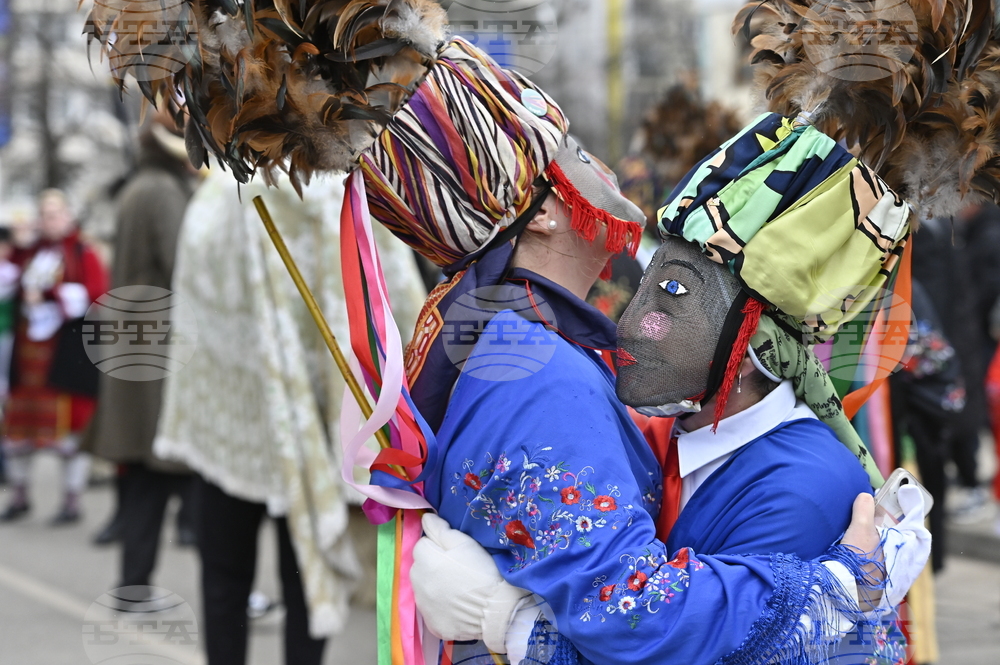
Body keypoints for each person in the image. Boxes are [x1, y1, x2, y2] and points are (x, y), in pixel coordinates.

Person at [152, 168, 427, 665]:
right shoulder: (340, 192)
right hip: (263, 424)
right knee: (292, 572)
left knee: (230, 578)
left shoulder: (219, 197)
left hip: (237, 421)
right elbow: (395, 307)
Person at [84, 109, 201, 585]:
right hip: (160, 345)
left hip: (138, 339)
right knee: (167, 470)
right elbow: (182, 260)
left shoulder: (140, 187)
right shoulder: (162, 191)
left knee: (144, 476)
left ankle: (133, 582)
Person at [0, 189, 108, 524]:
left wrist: (52, 294)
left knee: (70, 429)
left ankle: (71, 500)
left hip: (65, 354)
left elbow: (97, 294)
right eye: (44, 213)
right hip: (28, 357)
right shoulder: (29, 252)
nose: (49, 219)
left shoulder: (82, 251)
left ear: (68, 216)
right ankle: (20, 494)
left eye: (55, 213)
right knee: (18, 428)